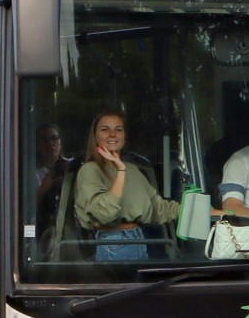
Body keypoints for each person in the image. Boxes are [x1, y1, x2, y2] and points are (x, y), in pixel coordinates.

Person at [71, 111, 180, 263]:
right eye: (105, 129)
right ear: (94, 137)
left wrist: (202, 211)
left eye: (118, 129)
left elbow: (158, 208)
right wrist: (120, 171)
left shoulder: (133, 170)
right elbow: (105, 214)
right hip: (113, 244)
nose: (112, 134)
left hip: (141, 240)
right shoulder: (89, 170)